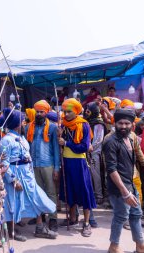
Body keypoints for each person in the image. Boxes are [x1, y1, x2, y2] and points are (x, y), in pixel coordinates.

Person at [103, 109, 144, 253]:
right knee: (121, 216)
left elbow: (138, 151)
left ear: (132, 125)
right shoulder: (110, 141)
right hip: (119, 186)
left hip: (130, 181)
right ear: (114, 123)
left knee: (136, 214)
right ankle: (113, 246)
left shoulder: (131, 137)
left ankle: (140, 245)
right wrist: (125, 192)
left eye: (127, 123)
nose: (123, 126)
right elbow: (112, 169)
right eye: (120, 123)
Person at [0, 107, 57, 241]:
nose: (24, 123)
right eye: (22, 121)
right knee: (13, 202)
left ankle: (40, 228)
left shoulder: (22, 137)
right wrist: (13, 180)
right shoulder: (6, 140)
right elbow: (4, 163)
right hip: (15, 174)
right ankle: (12, 231)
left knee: (36, 198)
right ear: (17, 124)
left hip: (27, 174)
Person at [58, 98, 96, 237]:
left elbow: (84, 147)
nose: (66, 114)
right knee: (69, 191)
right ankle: (73, 219)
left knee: (84, 192)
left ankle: (86, 223)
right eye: (64, 111)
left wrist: (66, 143)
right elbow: (60, 143)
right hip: (67, 162)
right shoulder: (63, 125)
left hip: (79, 163)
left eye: (69, 111)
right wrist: (59, 137)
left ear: (76, 111)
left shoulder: (83, 125)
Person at [26, 100, 60, 231]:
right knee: (37, 193)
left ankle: (53, 218)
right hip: (33, 165)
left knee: (51, 192)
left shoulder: (52, 127)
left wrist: (56, 168)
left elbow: (56, 149)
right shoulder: (28, 127)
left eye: (42, 112)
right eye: (37, 112)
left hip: (48, 165)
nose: (39, 114)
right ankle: (40, 216)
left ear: (46, 113)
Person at [85, 102, 106, 204]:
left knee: (95, 173)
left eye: (88, 111)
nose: (86, 112)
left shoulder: (98, 123)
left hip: (95, 152)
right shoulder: (88, 122)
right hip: (86, 151)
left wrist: (91, 148)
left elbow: (98, 139)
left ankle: (99, 195)